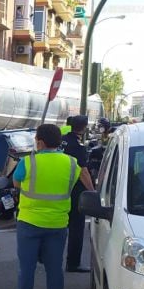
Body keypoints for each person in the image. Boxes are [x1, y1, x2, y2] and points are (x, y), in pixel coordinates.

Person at [8, 123, 79, 289]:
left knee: (26, 269)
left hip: (29, 222)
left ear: (39, 141)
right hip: (58, 224)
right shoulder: (72, 163)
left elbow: (16, 183)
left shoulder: (28, 162)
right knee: (55, 270)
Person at [61, 115, 96, 273]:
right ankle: (73, 263)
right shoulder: (78, 146)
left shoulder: (62, 140)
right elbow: (83, 171)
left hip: (59, 187)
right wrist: (92, 191)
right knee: (76, 227)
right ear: (84, 128)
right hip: (75, 190)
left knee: (58, 224)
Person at [88, 120, 113, 185]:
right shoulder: (101, 135)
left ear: (106, 127)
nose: (99, 128)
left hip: (107, 159)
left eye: (101, 126)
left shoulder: (111, 136)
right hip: (100, 159)